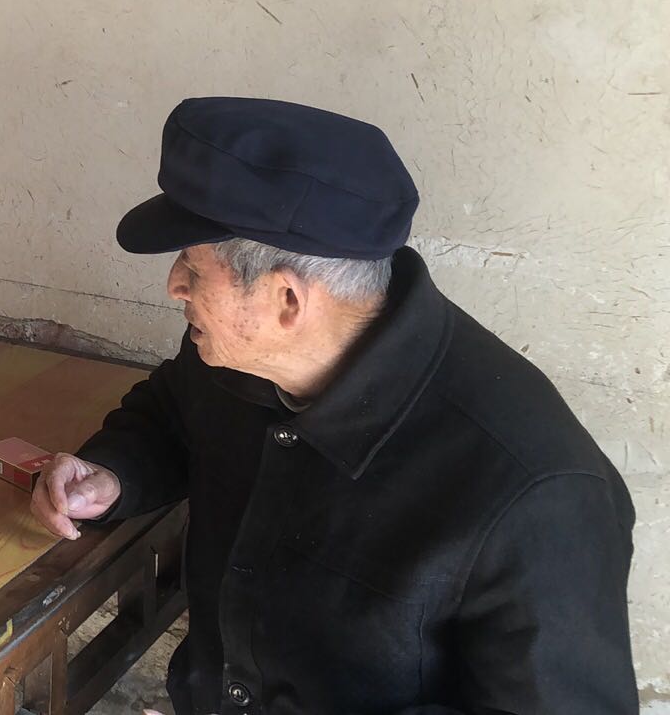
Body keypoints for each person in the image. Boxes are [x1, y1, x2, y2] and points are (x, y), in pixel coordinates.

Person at [31, 97, 636, 714]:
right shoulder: (239, 354)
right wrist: (113, 473)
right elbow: (170, 412)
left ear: (287, 301)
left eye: (193, 267)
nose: (174, 286)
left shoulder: (538, 494)